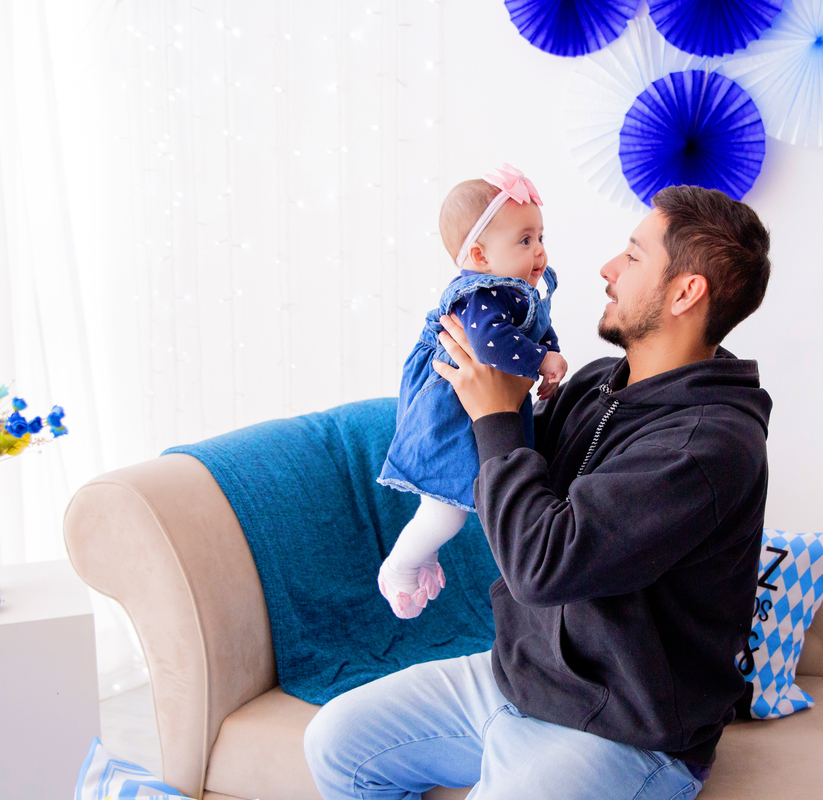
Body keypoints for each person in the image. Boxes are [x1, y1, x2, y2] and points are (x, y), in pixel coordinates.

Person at [306, 184, 772, 799]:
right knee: (336, 743)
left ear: (686, 291)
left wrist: (495, 416)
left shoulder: (707, 446)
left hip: (622, 728)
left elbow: (541, 563)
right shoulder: (600, 382)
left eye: (632, 257)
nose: (607, 268)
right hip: (519, 680)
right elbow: (508, 489)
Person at [376, 164, 568, 619]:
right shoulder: (480, 294)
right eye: (525, 240)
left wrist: (549, 359)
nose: (539, 251)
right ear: (479, 256)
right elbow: (490, 344)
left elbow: (540, 331)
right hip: (451, 409)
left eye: (540, 237)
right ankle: (400, 566)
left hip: (477, 405)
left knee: (457, 503)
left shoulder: (517, 292)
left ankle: (421, 555)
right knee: (448, 509)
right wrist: (541, 360)